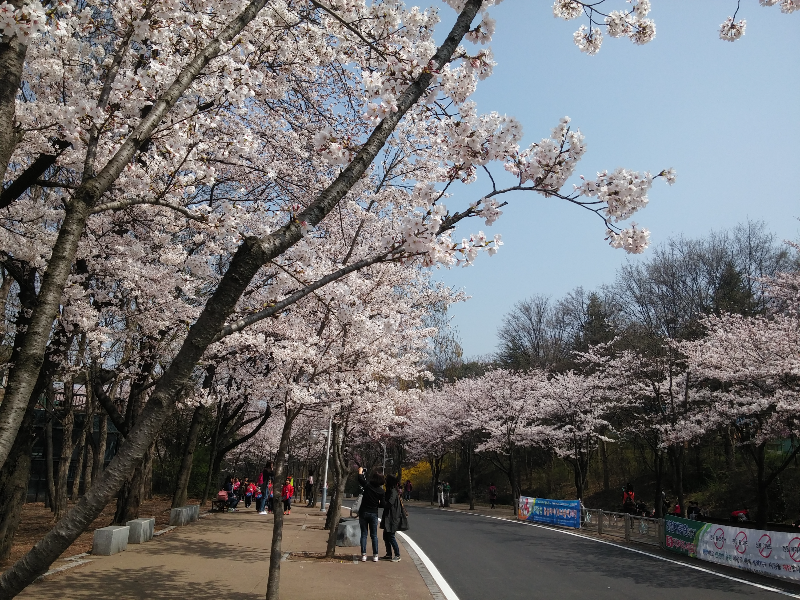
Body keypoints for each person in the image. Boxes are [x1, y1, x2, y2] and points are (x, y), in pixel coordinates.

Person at [358, 466, 385, 562]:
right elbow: (383, 504)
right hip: (374, 513)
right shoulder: (381, 491)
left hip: (363, 512)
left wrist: (360, 472)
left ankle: (364, 555)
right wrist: (377, 503)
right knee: (374, 535)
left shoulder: (368, 486)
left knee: (364, 534)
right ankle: (375, 555)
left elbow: (360, 479)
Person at [380, 474, 402, 562]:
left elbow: (390, 503)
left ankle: (397, 554)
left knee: (391, 535)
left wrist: (383, 504)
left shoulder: (393, 491)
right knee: (385, 535)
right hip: (389, 516)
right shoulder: (390, 490)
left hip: (392, 517)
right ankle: (388, 554)